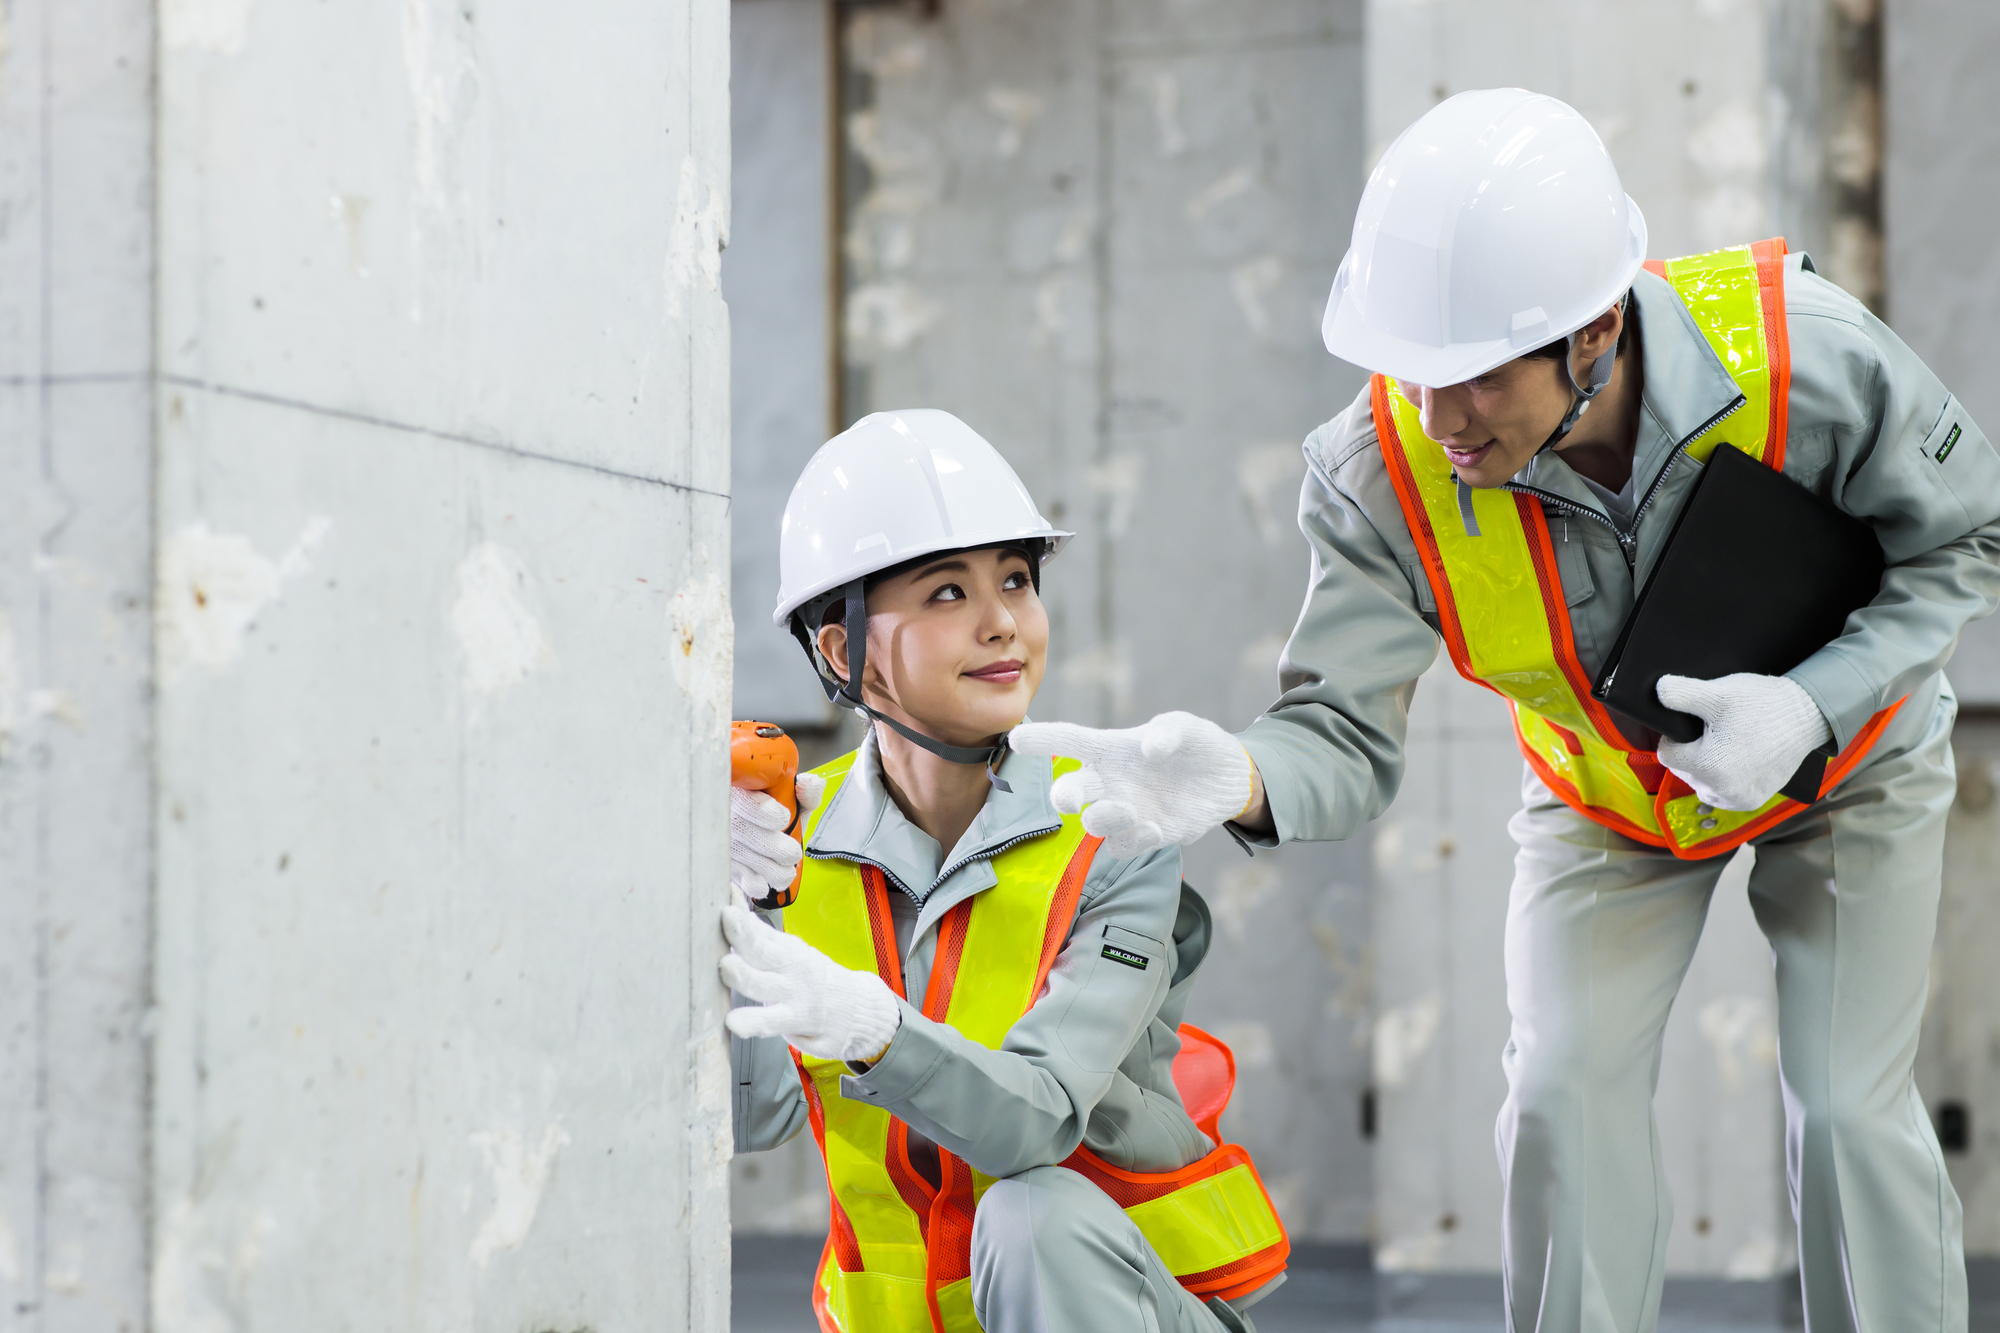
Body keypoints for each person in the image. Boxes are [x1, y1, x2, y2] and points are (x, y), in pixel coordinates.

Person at [1007, 89, 2000, 1332]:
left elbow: (1967, 540)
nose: (1438, 419)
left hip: (1848, 757)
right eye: (1410, 373)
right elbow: (1339, 734)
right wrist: (1244, 778)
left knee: (1848, 1109)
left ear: (1592, 332)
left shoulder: (1800, 353)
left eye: (1474, 376)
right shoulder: (1378, 473)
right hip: (1604, 795)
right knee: (1557, 1096)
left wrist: (1809, 707)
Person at [722, 408, 1289, 1333]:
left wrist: (873, 1028)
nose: (1003, 624)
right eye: (947, 592)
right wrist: (733, 910)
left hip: (1109, 1309)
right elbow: (756, 1118)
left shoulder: (1112, 828)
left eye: (1017, 581)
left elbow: (1038, 1122)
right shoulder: (793, 833)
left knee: (1036, 1214)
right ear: (840, 648)